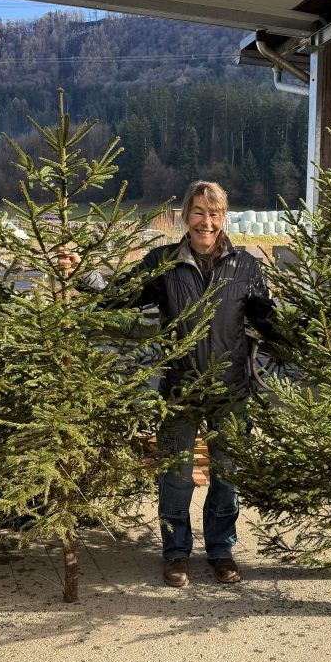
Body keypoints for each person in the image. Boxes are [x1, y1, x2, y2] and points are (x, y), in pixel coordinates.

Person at [67, 181, 280, 587]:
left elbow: (267, 320)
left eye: (214, 213)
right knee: (176, 477)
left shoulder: (246, 265)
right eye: (199, 212)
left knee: (226, 476)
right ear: (186, 215)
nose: (207, 221)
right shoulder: (163, 262)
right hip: (179, 392)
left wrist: (315, 336)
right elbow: (119, 295)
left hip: (230, 392)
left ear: (224, 217)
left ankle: (221, 550)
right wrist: (81, 273)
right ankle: (176, 553)